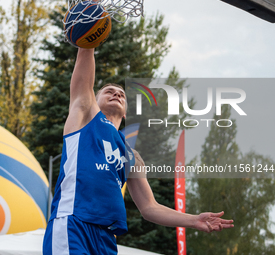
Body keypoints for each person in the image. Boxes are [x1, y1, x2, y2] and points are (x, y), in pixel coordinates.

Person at [43, 48, 234, 255]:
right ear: (93, 102)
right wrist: (88, 44)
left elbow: (150, 207)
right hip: (73, 222)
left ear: (125, 113)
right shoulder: (83, 120)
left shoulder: (132, 156)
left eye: (121, 95)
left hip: (105, 238)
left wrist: (194, 220)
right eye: (108, 91)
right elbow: (83, 78)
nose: (116, 93)